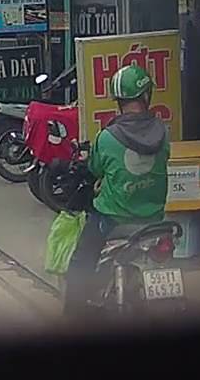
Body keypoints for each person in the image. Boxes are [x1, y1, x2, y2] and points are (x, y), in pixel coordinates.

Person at [63, 63, 169, 317]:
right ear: (146, 95)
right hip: (155, 218)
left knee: (80, 262)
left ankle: (72, 319)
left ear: (119, 101)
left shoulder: (107, 137)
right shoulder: (163, 132)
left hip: (113, 219)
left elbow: (95, 169)